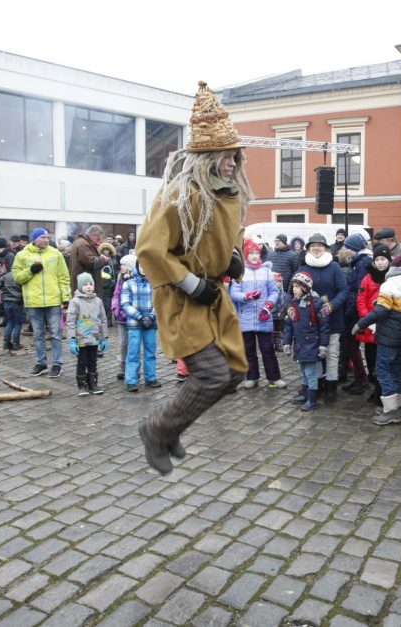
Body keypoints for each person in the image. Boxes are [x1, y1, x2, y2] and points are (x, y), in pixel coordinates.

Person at [134, 81, 251, 475]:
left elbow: (231, 237)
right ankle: (157, 428)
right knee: (212, 374)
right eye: (226, 156)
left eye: (236, 156)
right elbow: (150, 249)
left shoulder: (230, 195)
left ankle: (171, 426)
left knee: (234, 373)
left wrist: (233, 257)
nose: (233, 162)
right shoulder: (180, 194)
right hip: (183, 297)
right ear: (208, 157)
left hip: (215, 295)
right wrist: (188, 282)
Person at [353, 253, 401, 426]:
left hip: (388, 333)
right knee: (396, 367)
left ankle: (391, 410)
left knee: (383, 369)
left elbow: (381, 311)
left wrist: (361, 323)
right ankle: (396, 403)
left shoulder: (389, 286)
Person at [297, 233, 349, 403]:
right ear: (308, 249)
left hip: (332, 319)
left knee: (332, 354)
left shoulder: (334, 267)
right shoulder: (303, 267)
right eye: (313, 245)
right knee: (315, 354)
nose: (316, 248)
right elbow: (295, 289)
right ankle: (315, 385)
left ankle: (331, 387)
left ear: (326, 248)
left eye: (320, 245)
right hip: (311, 321)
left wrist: (332, 305)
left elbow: (344, 291)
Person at [12, 227, 71, 378]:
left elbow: (64, 277)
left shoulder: (56, 253)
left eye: (47, 237)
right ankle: (41, 363)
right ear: (35, 239)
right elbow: (17, 277)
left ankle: (57, 364)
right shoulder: (22, 255)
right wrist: (31, 270)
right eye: (43, 237)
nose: (46, 240)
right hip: (33, 302)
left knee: (56, 334)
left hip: (53, 301)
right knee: (38, 335)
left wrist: (65, 299)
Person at [230, 239, 285, 389]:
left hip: (264, 317)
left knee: (267, 349)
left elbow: (274, 291)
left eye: (256, 253)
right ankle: (252, 377)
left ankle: (274, 377)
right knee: (249, 350)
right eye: (251, 253)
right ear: (246, 255)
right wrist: (246, 296)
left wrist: (269, 304)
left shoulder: (266, 271)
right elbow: (234, 293)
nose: (254, 256)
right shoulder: (240, 272)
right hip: (245, 318)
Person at [282, 271, 330, 411]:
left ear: (305, 288)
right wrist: (286, 342)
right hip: (300, 344)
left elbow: (324, 327)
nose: (294, 289)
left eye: (297, 286)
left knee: (311, 372)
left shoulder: (318, 304)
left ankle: (312, 399)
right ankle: (304, 394)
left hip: (312, 344)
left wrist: (323, 346)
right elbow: (289, 325)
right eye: (293, 287)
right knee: (303, 371)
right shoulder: (293, 304)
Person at [338, 233, 373, 395]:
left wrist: (349, 312)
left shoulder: (362, 262)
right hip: (355, 309)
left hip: (357, 311)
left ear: (355, 248)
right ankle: (360, 377)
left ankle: (362, 379)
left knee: (350, 343)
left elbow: (358, 291)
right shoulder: (358, 261)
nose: (346, 251)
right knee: (349, 344)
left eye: (348, 247)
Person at [356, 245, 392, 404]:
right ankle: (375, 387)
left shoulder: (392, 277)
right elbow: (361, 301)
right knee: (371, 361)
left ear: (389, 261)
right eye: (377, 259)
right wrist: (369, 320)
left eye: (383, 259)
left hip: (386, 327)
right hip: (371, 327)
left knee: (384, 362)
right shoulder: (368, 278)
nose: (380, 262)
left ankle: (382, 390)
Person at [120, 257, 160, 392]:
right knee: (133, 352)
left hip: (151, 324)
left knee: (150, 351)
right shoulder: (128, 283)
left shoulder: (154, 284)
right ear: (137, 267)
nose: (144, 269)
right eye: (141, 266)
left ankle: (151, 377)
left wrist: (151, 317)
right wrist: (140, 317)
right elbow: (125, 303)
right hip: (135, 324)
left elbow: (159, 302)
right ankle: (131, 380)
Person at [66, 273, 108, 395]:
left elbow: (103, 320)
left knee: (93, 361)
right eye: (85, 284)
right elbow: (70, 322)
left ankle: (93, 383)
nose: (88, 286)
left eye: (90, 284)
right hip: (81, 339)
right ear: (80, 287)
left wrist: (103, 338)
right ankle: (82, 385)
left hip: (94, 338)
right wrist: (72, 340)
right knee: (82, 362)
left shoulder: (98, 301)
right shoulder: (75, 302)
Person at [70, 225, 111, 300]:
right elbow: (90, 262)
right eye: (98, 239)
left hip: (83, 285)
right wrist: (102, 259)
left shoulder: (81, 242)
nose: (98, 242)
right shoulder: (83, 244)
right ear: (94, 235)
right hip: (85, 286)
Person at [111, 254, 135, 381]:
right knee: (123, 342)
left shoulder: (135, 280)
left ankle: (133, 367)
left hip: (132, 317)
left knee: (133, 343)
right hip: (121, 317)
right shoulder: (120, 279)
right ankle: (123, 366)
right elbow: (116, 295)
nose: (121, 267)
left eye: (124, 265)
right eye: (121, 264)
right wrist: (115, 308)